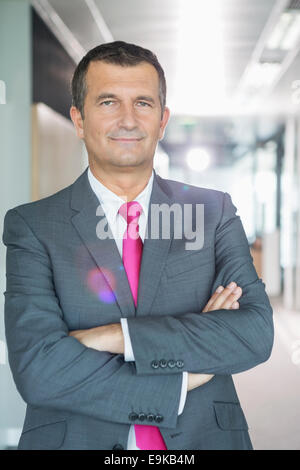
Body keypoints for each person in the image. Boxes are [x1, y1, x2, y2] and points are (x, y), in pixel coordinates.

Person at [3, 41, 274, 450]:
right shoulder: (34, 226)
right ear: (78, 119)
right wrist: (181, 381)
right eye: (108, 101)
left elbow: (254, 333)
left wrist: (117, 337)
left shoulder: (211, 212)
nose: (128, 120)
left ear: (162, 121)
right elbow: (38, 370)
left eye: (143, 103)